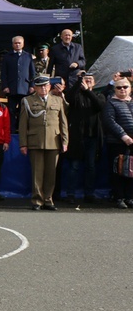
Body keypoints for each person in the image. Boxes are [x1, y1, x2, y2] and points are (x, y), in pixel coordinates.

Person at [18, 75, 69, 210]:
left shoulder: (58, 100)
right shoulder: (27, 101)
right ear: (35, 88)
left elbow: (63, 122)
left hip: (54, 140)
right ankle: (37, 200)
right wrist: (23, 143)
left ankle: (48, 199)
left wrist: (65, 140)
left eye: (45, 86)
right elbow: (23, 124)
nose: (43, 88)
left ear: (50, 86)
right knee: (37, 173)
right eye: (40, 86)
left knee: (51, 173)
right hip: (36, 140)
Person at [65, 72, 105, 205]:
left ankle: (89, 193)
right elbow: (69, 97)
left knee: (91, 166)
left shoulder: (98, 95)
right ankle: (70, 193)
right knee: (74, 166)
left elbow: (99, 106)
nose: (87, 82)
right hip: (77, 136)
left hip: (92, 136)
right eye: (85, 80)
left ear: (94, 83)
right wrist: (78, 81)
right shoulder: (77, 97)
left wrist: (88, 91)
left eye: (90, 80)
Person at [101, 76, 133, 209]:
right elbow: (109, 122)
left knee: (131, 171)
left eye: (125, 87)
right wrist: (123, 136)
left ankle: (130, 197)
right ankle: (119, 197)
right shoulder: (111, 103)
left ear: (130, 89)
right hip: (117, 142)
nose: (122, 90)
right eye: (119, 87)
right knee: (118, 170)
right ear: (115, 89)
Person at [0, 35, 36, 132]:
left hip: (25, 88)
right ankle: (11, 131)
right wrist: (5, 86)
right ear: (12, 44)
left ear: (23, 44)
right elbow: (3, 73)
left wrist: (32, 86)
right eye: (15, 43)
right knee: (11, 111)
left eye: (19, 43)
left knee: (23, 111)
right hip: (11, 88)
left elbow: (32, 73)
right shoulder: (7, 57)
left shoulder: (28, 56)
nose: (17, 44)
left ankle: (22, 130)